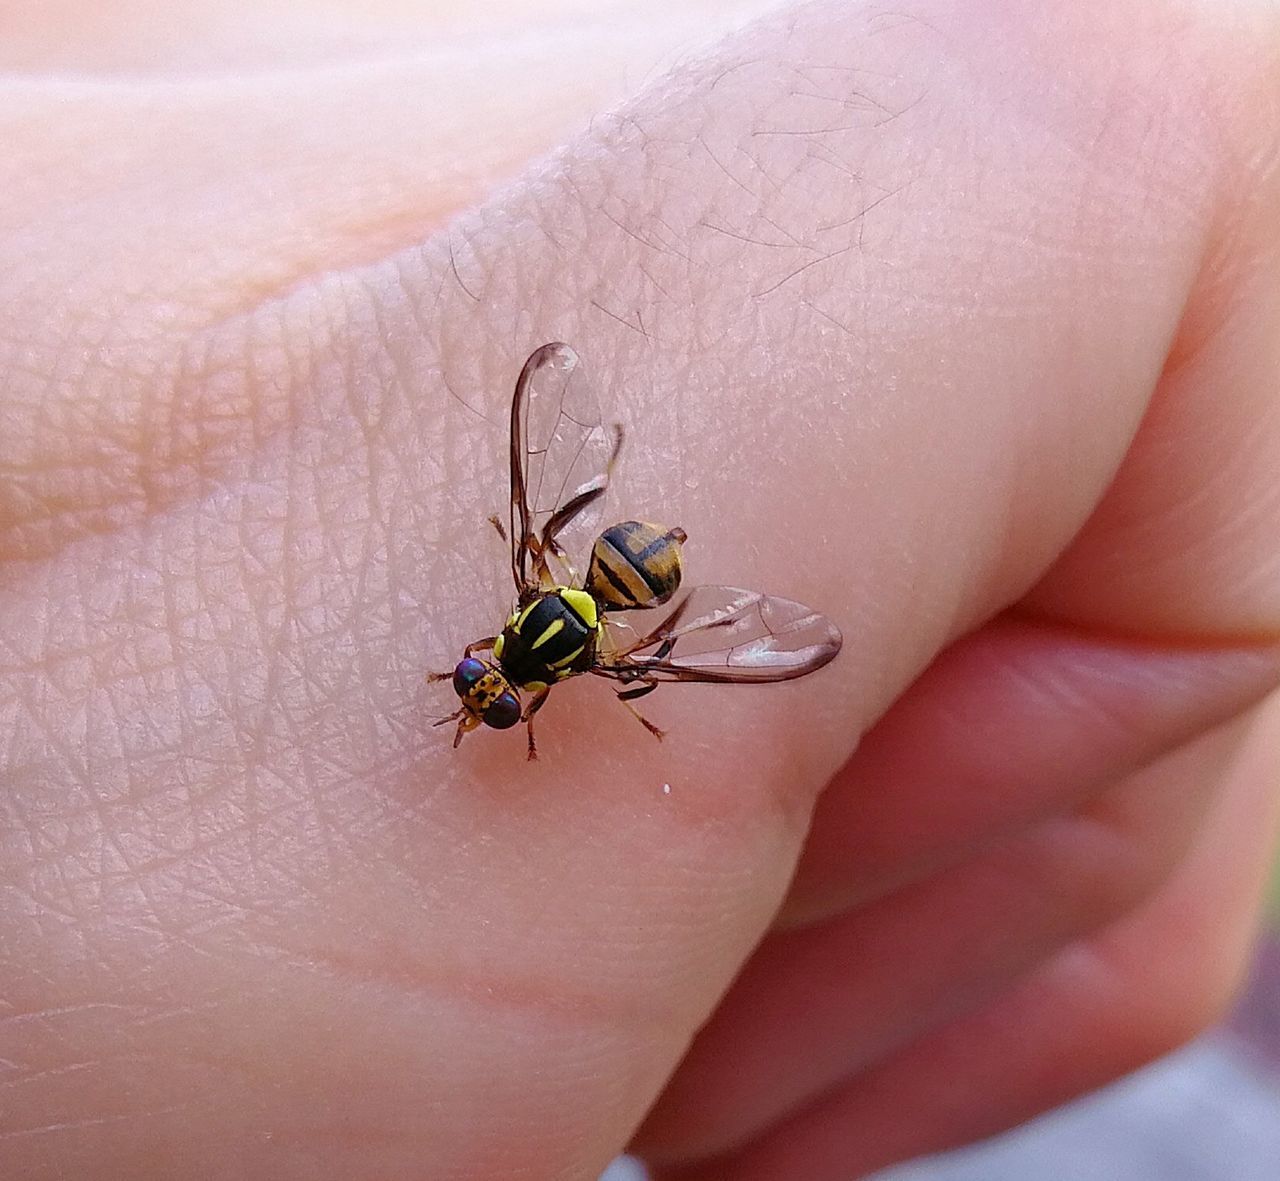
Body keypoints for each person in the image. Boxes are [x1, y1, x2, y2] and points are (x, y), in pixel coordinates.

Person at [1, 1, 1277, 1178]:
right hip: (622, 580)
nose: (485, 690)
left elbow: (587, 550)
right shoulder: (565, 627)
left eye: (483, 688)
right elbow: (578, 559)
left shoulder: (559, 624)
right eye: (490, 692)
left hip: (626, 582)